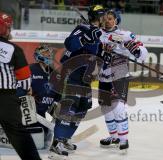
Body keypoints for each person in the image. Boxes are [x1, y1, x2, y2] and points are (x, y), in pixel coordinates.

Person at [48, 5, 105, 158]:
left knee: (82, 107)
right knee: (69, 107)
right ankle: (57, 142)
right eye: (102, 16)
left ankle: (65, 138)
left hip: (85, 76)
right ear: (96, 17)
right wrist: (85, 38)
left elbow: (98, 55)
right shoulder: (83, 28)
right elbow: (69, 44)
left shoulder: (99, 33)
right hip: (73, 73)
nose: (104, 19)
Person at [98, 10, 148, 151]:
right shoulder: (97, 34)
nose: (107, 21)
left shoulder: (124, 35)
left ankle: (123, 138)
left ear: (116, 20)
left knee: (118, 107)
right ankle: (113, 136)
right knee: (105, 108)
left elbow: (143, 53)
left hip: (119, 73)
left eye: (110, 18)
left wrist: (135, 50)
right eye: (105, 19)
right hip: (103, 75)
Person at [0, 12, 42, 160]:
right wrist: (26, 89)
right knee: (19, 135)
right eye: (8, 28)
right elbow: (24, 80)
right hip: (5, 99)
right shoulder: (13, 49)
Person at [17, 44, 61, 149]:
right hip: (32, 111)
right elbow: (19, 86)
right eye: (45, 53)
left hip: (46, 107)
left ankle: (61, 138)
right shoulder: (30, 69)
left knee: (64, 111)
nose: (49, 55)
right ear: (38, 55)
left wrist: (60, 101)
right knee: (38, 141)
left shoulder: (54, 73)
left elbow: (58, 92)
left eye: (49, 53)